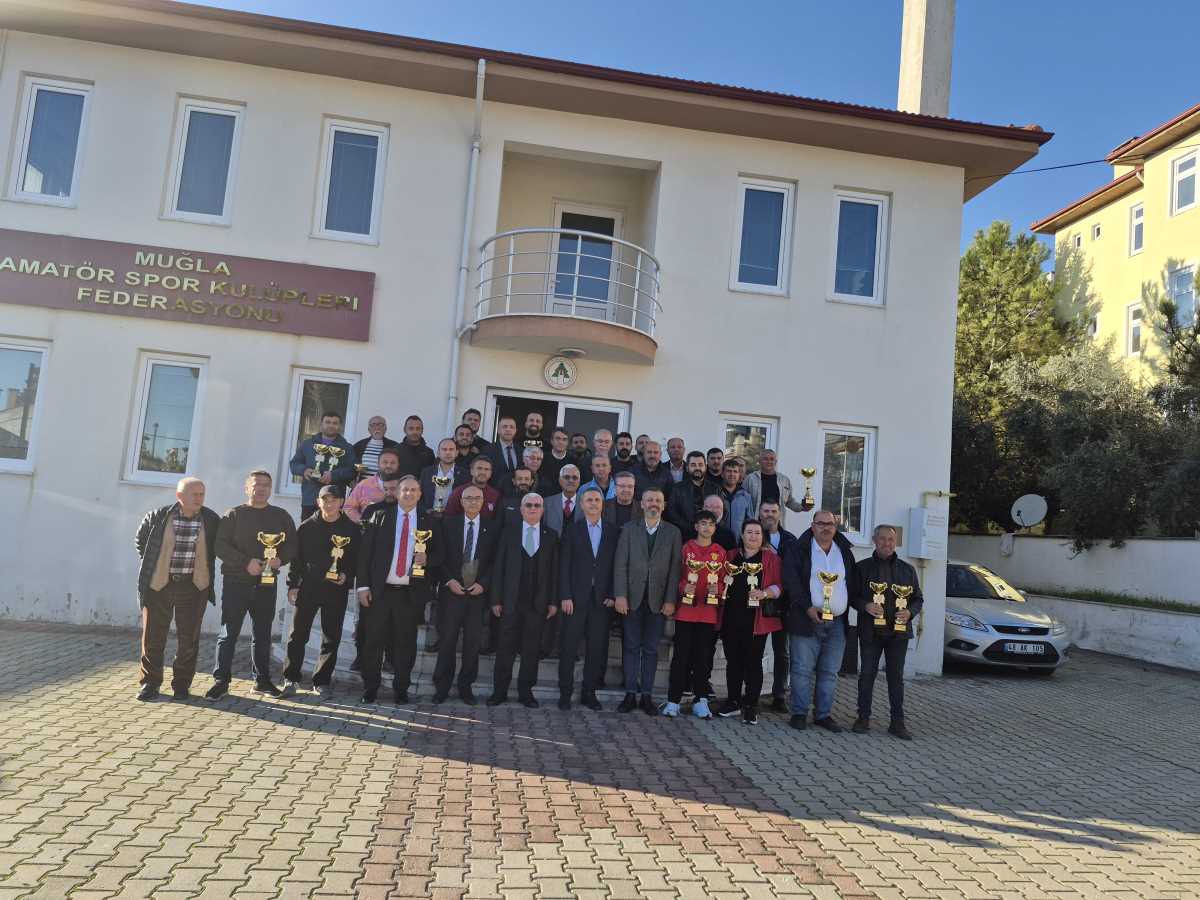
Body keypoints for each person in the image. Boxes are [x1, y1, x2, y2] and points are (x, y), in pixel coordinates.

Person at [208, 470, 297, 700]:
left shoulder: (281, 516)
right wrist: (245, 562)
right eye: (257, 484)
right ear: (247, 488)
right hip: (236, 583)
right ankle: (221, 681)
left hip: (266, 584)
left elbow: (292, 545)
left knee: (263, 634)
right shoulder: (233, 515)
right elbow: (220, 546)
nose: (261, 489)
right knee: (228, 633)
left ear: (270, 489)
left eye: (266, 485)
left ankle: (262, 681)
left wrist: (280, 559)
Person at [356, 474, 444, 704]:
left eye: (414, 490)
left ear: (420, 494)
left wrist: (428, 559)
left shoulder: (428, 521)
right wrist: (363, 586)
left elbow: (442, 555)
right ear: (396, 492)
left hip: (410, 595)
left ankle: (401, 690)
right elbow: (365, 555)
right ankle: (370, 688)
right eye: (405, 489)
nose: (409, 494)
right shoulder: (380, 516)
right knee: (373, 641)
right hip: (380, 592)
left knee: (405, 645)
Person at [134, 477, 221, 701]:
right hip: (159, 586)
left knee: (188, 639)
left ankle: (181, 685)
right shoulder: (158, 516)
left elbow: (218, 547)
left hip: (194, 587)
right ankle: (150, 683)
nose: (199, 498)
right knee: (153, 637)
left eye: (202, 494)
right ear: (179, 496)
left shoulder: (211, 519)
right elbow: (141, 542)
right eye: (194, 494)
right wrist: (155, 567)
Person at [782, 509, 860, 732]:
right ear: (812, 525)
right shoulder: (799, 549)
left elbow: (850, 584)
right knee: (801, 669)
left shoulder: (844, 551)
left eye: (830, 524)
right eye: (821, 523)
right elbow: (791, 582)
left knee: (829, 672)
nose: (826, 527)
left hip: (837, 623)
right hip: (805, 620)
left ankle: (823, 715)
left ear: (835, 527)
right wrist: (807, 607)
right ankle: (799, 713)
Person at [283, 485, 359, 698]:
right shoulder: (307, 527)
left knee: (331, 637)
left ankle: (322, 681)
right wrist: (293, 585)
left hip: (336, 590)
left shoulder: (351, 529)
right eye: (325, 499)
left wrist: (347, 576)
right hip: (309, 588)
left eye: (334, 500)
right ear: (318, 502)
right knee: (297, 635)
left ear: (341, 502)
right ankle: (291, 678)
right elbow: (296, 560)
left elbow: (356, 560)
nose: (329, 504)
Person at [612, 487, 681, 715]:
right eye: (649, 500)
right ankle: (630, 694)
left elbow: (675, 569)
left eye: (658, 501)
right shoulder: (629, 529)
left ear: (664, 505)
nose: (653, 504)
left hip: (658, 601)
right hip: (631, 599)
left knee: (651, 649)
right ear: (641, 504)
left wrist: (670, 600)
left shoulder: (673, 533)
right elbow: (620, 564)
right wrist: (620, 595)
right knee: (631, 647)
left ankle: (647, 696)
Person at [853, 524, 923, 740]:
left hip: (898, 634)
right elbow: (851, 596)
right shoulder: (861, 568)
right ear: (874, 540)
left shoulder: (908, 569)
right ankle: (863, 718)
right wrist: (865, 605)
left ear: (896, 542)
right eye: (882, 539)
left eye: (891, 539)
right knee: (867, 675)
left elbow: (918, 599)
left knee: (896, 678)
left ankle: (897, 722)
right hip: (870, 632)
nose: (887, 543)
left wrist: (910, 613)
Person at [488, 493, 559, 708]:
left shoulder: (551, 536)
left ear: (543, 510)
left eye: (537, 505)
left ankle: (526, 692)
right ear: (521, 509)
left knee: (531, 650)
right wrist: (496, 599)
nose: (533, 508)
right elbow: (499, 567)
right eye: (528, 505)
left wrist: (553, 601)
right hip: (511, 601)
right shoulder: (508, 533)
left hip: (537, 603)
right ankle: (499, 692)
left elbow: (554, 573)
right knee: (505, 648)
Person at [432, 485, 500, 705]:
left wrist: (484, 584)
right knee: (447, 641)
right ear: (461, 502)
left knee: (472, 643)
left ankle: (465, 686)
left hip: (477, 595)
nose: (472, 501)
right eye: (468, 498)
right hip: (452, 592)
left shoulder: (492, 527)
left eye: (477, 498)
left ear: (483, 502)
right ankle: (441, 687)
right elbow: (439, 557)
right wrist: (449, 581)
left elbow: (495, 561)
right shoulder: (448, 524)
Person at [716, 520, 784, 725]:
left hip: (756, 621)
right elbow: (718, 579)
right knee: (733, 662)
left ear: (763, 537)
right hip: (730, 618)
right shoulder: (730, 556)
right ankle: (733, 701)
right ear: (742, 535)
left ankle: (751, 705)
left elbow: (780, 586)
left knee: (753, 664)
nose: (753, 536)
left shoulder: (771, 559)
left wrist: (765, 593)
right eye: (749, 532)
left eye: (757, 533)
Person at [557, 486, 618, 711]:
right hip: (574, 600)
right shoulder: (572, 530)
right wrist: (565, 595)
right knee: (568, 648)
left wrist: (612, 594)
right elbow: (564, 565)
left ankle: (589, 693)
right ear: (581, 505)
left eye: (597, 500)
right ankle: (565, 693)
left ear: (602, 504)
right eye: (589, 500)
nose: (593, 503)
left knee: (596, 649)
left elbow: (617, 566)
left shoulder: (613, 531)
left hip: (601, 601)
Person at [661, 509, 725, 719]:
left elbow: (724, 580)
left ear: (715, 528)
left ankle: (701, 700)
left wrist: (718, 589)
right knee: (681, 657)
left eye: (711, 524)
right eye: (703, 523)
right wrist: (683, 588)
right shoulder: (686, 548)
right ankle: (673, 700)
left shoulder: (720, 552)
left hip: (707, 613)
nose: (707, 527)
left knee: (703, 659)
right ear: (696, 526)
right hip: (686, 612)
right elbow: (676, 575)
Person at [759, 500, 797, 712]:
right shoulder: (753, 534)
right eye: (766, 511)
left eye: (774, 511)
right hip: (757, 600)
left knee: (782, 651)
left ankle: (779, 695)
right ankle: (752, 691)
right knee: (755, 650)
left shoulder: (790, 540)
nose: (770, 514)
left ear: (779, 514)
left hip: (783, 602)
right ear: (760, 513)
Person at [290, 412, 356, 520]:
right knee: (308, 529)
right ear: (321, 424)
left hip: (334, 501)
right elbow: (294, 464)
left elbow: (352, 471)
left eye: (335, 423)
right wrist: (304, 470)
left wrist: (333, 475)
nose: (331, 425)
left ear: (340, 426)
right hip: (311, 498)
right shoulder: (307, 444)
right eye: (327, 422)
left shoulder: (347, 448)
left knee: (333, 530)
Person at [743, 450, 807, 522]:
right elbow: (743, 502)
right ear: (759, 461)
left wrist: (802, 507)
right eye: (765, 459)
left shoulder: (784, 480)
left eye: (772, 459)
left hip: (777, 524)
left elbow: (789, 501)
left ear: (775, 462)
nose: (769, 462)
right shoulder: (750, 479)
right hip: (756, 523)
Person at [345, 446, 402, 523]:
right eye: (385, 462)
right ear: (378, 464)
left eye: (393, 463)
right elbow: (348, 507)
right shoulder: (364, 484)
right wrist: (362, 522)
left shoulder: (405, 485)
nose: (388, 466)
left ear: (398, 465)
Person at [666, 451, 717, 535]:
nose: (697, 468)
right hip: (684, 535)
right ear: (687, 468)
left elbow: (722, 512)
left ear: (705, 467)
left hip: (710, 535)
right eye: (693, 465)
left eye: (700, 465)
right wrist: (690, 528)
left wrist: (708, 527)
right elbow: (672, 513)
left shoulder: (715, 489)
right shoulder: (677, 489)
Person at [419, 437, 469, 514]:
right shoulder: (426, 473)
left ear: (456, 453)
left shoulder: (464, 474)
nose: (448, 452)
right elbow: (419, 496)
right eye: (444, 449)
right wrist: (426, 510)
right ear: (438, 453)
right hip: (430, 516)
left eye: (451, 449)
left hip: (453, 516)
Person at [542, 464, 582, 534]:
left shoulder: (586, 503)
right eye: (567, 477)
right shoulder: (547, 503)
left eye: (575, 478)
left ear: (579, 481)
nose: (571, 480)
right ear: (560, 480)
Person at [717, 459, 752, 536]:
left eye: (735, 471)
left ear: (739, 475)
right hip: (717, 540)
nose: (732, 474)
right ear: (722, 474)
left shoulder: (745, 496)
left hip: (738, 540)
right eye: (728, 471)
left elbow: (750, 521)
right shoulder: (715, 493)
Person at [487, 416, 521, 486]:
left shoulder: (521, 451)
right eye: (505, 427)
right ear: (498, 430)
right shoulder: (488, 450)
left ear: (515, 431)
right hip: (495, 490)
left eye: (511, 427)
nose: (508, 429)